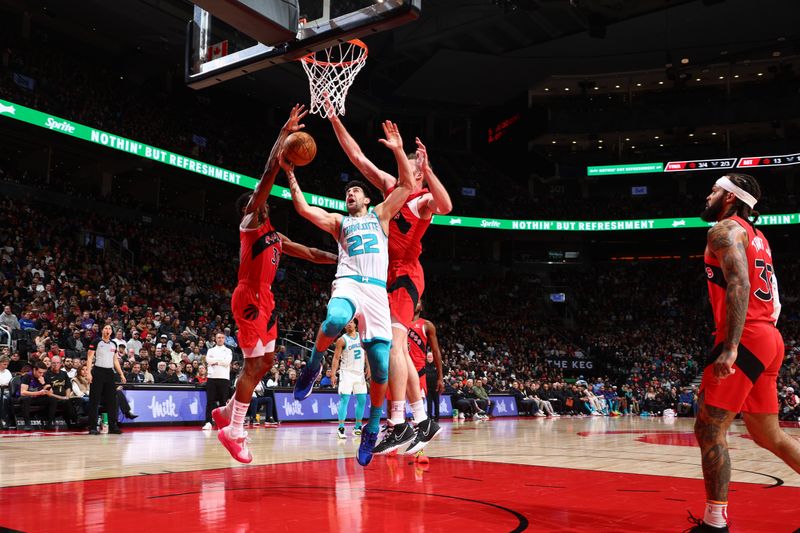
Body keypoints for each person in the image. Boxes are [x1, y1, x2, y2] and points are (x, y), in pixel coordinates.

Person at [327, 99, 452, 455]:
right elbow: (357, 158)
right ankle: (421, 420)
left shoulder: (420, 200)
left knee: (393, 347)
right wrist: (335, 118)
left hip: (406, 277)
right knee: (392, 351)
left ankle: (398, 424)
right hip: (383, 278)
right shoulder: (388, 187)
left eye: (415, 163)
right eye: (409, 162)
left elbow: (446, 207)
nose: (409, 165)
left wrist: (427, 172)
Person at [213, 105, 337, 464]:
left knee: (266, 361)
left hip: (266, 298)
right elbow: (268, 172)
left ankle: (226, 410)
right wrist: (283, 137)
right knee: (253, 367)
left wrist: (342, 257)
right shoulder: (250, 222)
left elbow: (313, 252)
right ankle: (234, 430)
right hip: (248, 296)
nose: (264, 202)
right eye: (259, 200)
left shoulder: (276, 235)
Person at [286, 119, 414, 466]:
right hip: (349, 282)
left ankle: (373, 427)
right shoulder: (338, 222)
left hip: (376, 293)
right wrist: (291, 174)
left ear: (368, 198)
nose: (350, 193)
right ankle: (313, 365)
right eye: (347, 192)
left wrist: (400, 151)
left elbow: (406, 183)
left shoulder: (381, 215)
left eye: (356, 191)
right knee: (335, 318)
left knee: (381, 369)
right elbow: (302, 208)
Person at [688, 173, 800, 532]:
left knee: (709, 428)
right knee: (770, 436)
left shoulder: (724, 230)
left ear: (731, 198)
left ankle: (714, 522)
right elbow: (775, 298)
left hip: (747, 334)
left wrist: (732, 345)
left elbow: (739, 282)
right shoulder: (759, 237)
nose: (708, 196)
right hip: (768, 334)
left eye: (714, 190)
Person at [402, 302, 444, 453]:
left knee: (416, 414)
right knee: (395, 409)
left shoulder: (426, 325)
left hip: (418, 373)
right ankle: (393, 444)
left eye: (418, 300)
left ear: (422, 307)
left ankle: (420, 450)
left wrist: (440, 377)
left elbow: (436, 351)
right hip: (399, 371)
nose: (414, 301)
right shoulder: (398, 322)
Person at [330, 320, 370, 439]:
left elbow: (367, 353)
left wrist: (368, 367)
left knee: (362, 399)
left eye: (351, 322)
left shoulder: (362, 337)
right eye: (347, 322)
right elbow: (336, 358)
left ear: (356, 324)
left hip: (359, 373)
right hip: (346, 373)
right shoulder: (341, 340)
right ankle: (341, 428)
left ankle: (357, 427)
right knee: (345, 400)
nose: (349, 324)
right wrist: (333, 374)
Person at [86, 325, 126, 435]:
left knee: (112, 401)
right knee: (94, 400)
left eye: (109, 329)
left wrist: (121, 374)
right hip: (98, 372)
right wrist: (88, 372)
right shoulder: (96, 341)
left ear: (111, 331)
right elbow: (89, 358)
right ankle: (93, 427)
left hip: (110, 373)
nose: (107, 330)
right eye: (105, 328)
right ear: (102, 330)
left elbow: (115, 360)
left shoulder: (114, 344)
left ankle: (112, 426)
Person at [203, 332, 232, 430]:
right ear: (215, 339)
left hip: (224, 378)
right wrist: (220, 361)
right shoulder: (210, 350)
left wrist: (215, 361)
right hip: (212, 378)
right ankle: (208, 422)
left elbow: (227, 362)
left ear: (224, 339)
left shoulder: (228, 350)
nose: (220, 339)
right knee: (210, 401)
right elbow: (208, 361)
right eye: (218, 337)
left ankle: (222, 424)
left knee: (223, 402)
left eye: (222, 338)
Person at [19, 361, 57, 430]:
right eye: (40, 372)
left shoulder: (44, 377)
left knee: (52, 399)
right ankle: (27, 424)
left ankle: (50, 423)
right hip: (28, 397)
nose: (41, 374)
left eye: (43, 373)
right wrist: (38, 393)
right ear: (34, 370)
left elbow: (51, 393)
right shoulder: (27, 376)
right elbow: (23, 392)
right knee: (26, 399)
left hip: (38, 398)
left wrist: (43, 383)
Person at [45, 355, 77, 428]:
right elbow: (49, 393)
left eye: (57, 363)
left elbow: (68, 387)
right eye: (53, 363)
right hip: (53, 397)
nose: (55, 365)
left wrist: (67, 396)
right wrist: (63, 398)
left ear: (61, 363)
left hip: (64, 398)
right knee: (58, 401)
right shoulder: (47, 374)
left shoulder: (64, 373)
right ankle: (50, 423)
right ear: (51, 363)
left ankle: (76, 421)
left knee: (76, 400)